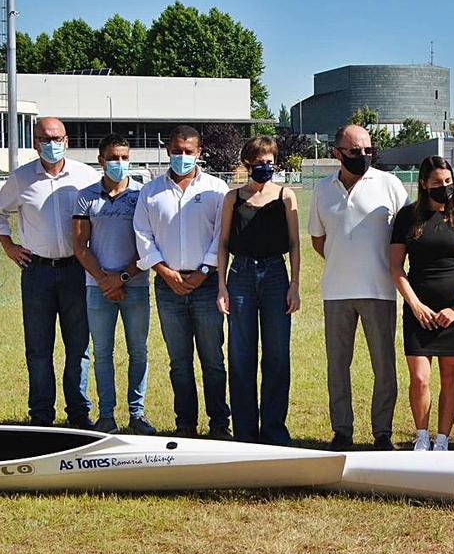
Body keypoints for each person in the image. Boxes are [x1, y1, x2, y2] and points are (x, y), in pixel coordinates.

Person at [0, 117, 101, 428]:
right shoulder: (21, 178)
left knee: (79, 346)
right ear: (34, 142)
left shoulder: (84, 175)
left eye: (56, 138)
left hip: (77, 272)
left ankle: (79, 413)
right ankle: (41, 415)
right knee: (38, 348)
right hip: (37, 272)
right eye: (44, 138)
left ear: (66, 140)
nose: (51, 144)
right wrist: (9, 245)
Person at [308, 124, 409, 451]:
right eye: (355, 151)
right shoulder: (323, 189)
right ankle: (342, 432)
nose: (363, 156)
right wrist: (343, 259)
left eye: (368, 150)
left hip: (380, 290)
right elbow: (318, 239)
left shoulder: (390, 184)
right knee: (338, 367)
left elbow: (406, 233)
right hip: (336, 292)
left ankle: (383, 434)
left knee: (384, 367)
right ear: (337, 153)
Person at [135, 125, 231, 439]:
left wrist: (204, 270)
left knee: (213, 359)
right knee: (179, 362)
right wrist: (163, 271)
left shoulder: (217, 190)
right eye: (177, 150)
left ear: (199, 152)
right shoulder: (151, 191)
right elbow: (143, 236)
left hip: (206, 284)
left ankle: (219, 424)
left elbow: (222, 235)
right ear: (167, 151)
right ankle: (185, 425)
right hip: (167, 286)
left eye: (189, 151)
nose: (182, 156)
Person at [390, 156, 454, 451]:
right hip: (419, 310)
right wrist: (414, 305)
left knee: (449, 377)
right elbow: (395, 266)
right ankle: (422, 436)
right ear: (423, 184)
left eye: (447, 182)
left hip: (453, 312)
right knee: (419, 378)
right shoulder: (407, 217)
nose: (444, 188)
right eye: (436, 183)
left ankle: (442, 439)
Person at [214, 136, 301, 445]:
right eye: (259, 161)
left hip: (276, 275)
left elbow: (294, 243)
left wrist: (294, 284)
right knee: (241, 356)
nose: (265, 166)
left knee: (277, 355)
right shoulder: (232, 198)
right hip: (240, 276)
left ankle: (275, 430)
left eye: (270, 160)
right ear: (247, 164)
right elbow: (223, 243)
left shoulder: (285, 196)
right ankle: (246, 432)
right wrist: (222, 284)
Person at [72, 134, 157, 436]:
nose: (118, 163)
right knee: (102, 352)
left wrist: (121, 277)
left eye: (123, 157)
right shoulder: (86, 196)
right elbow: (80, 246)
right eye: (112, 158)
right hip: (97, 288)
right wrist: (104, 280)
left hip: (134, 285)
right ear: (100, 161)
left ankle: (137, 414)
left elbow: (148, 243)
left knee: (139, 351)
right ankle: (106, 415)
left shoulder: (142, 194)